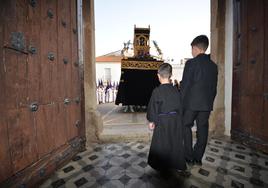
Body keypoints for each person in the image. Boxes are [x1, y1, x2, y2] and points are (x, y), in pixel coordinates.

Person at [180, 35, 218, 166]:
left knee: (185, 125)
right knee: (202, 129)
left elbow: (185, 86)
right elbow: (214, 88)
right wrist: (209, 103)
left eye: (192, 48)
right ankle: (198, 158)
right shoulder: (213, 66)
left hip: (191, 103)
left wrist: (181, 103)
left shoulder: (190, 63)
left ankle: (188, 156)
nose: (191, 51)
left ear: (196, 48)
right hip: (206, 104)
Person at [147, 63, 190, 177]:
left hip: (162, 121)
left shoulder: (157, 91)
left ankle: (162, 165)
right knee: (175, 143)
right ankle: (177, 164)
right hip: (175, 121)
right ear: (170, 75)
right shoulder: (176, 90)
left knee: (161, 144)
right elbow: (181, 106)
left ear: (158, 75)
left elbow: (153, 108)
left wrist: (152, 121)